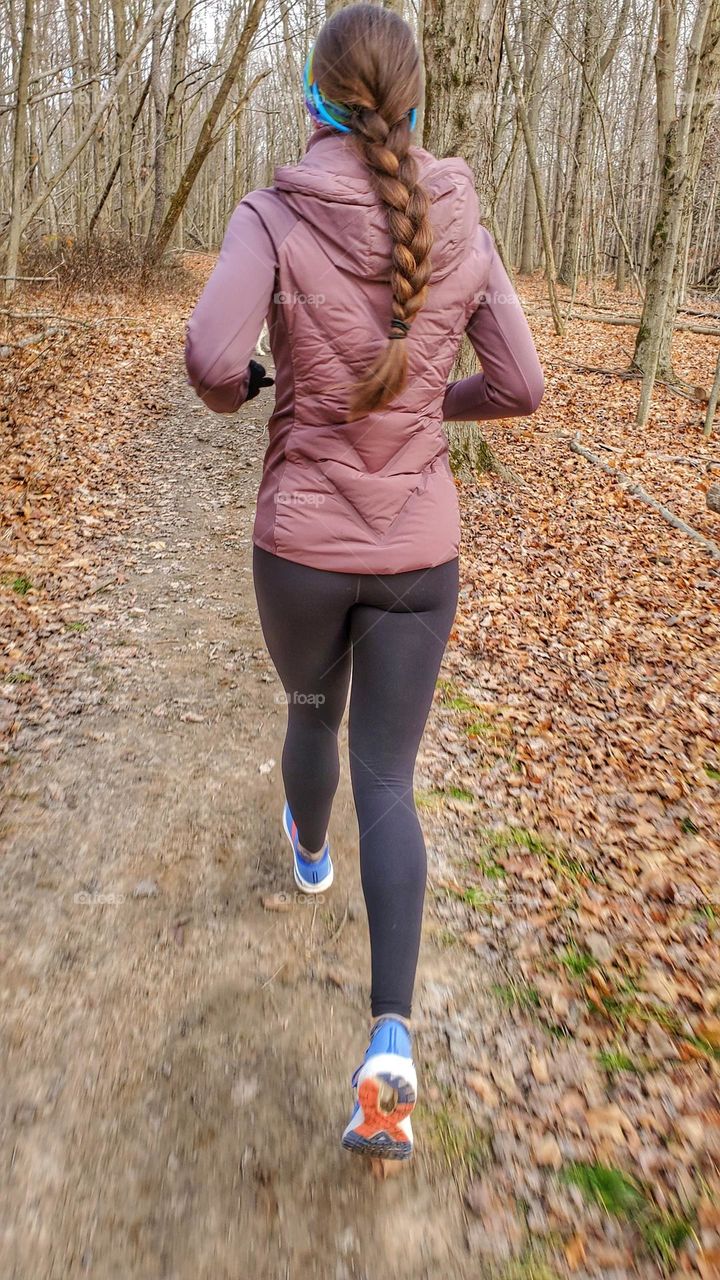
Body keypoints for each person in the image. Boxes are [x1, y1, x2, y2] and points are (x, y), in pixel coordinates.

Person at [185, 2, 544, 1162]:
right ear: (414, 99)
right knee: (390, 775)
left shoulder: (274, 211)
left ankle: (306, 851)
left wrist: (256, 387)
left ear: (313, 98)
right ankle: (391, 1041)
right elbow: (523, 384)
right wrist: (426, 401)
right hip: (418, 552)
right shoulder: (463, 215)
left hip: (300, 546)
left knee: (310, 712)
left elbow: (208, 355)